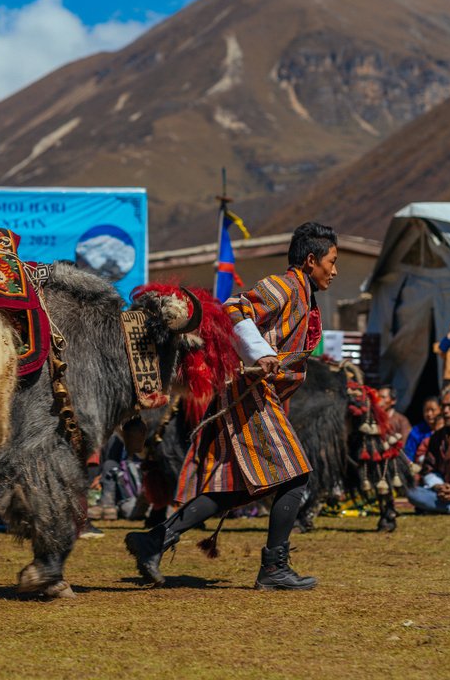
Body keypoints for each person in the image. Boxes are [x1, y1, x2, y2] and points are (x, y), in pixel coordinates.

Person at [125, 221, 338, 591]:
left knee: (240, 488)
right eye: (331, 262)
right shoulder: (284, 286)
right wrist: (260, 353)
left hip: (262, 395)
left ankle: (154, 540)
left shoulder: (303, 294)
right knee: (296, 475)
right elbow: (234, 308)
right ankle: (274, 567)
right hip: (252, 393)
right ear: (310, 260)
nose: (334, 271)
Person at [404, 397, 440, 462]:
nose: (429, 414)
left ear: (440, 409)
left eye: (433, 410)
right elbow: (409, 453)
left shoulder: (445, 429)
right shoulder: (417, 430)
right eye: (426, 410)